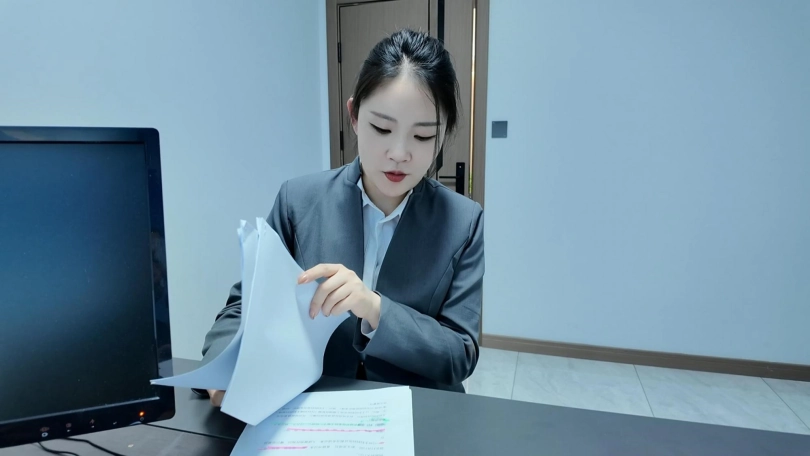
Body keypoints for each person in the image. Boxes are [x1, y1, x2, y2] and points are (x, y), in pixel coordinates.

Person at [201, 29, 485, 407]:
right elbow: (242, 308)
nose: (399, 153)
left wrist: (375, 308)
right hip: (312, 405)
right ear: (353, 116)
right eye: (382, 128)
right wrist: (223, 369)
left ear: (444, 133)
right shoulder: (298, 201)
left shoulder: (463, 222)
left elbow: (459, 353)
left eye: (422, 137)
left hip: (418, 409)